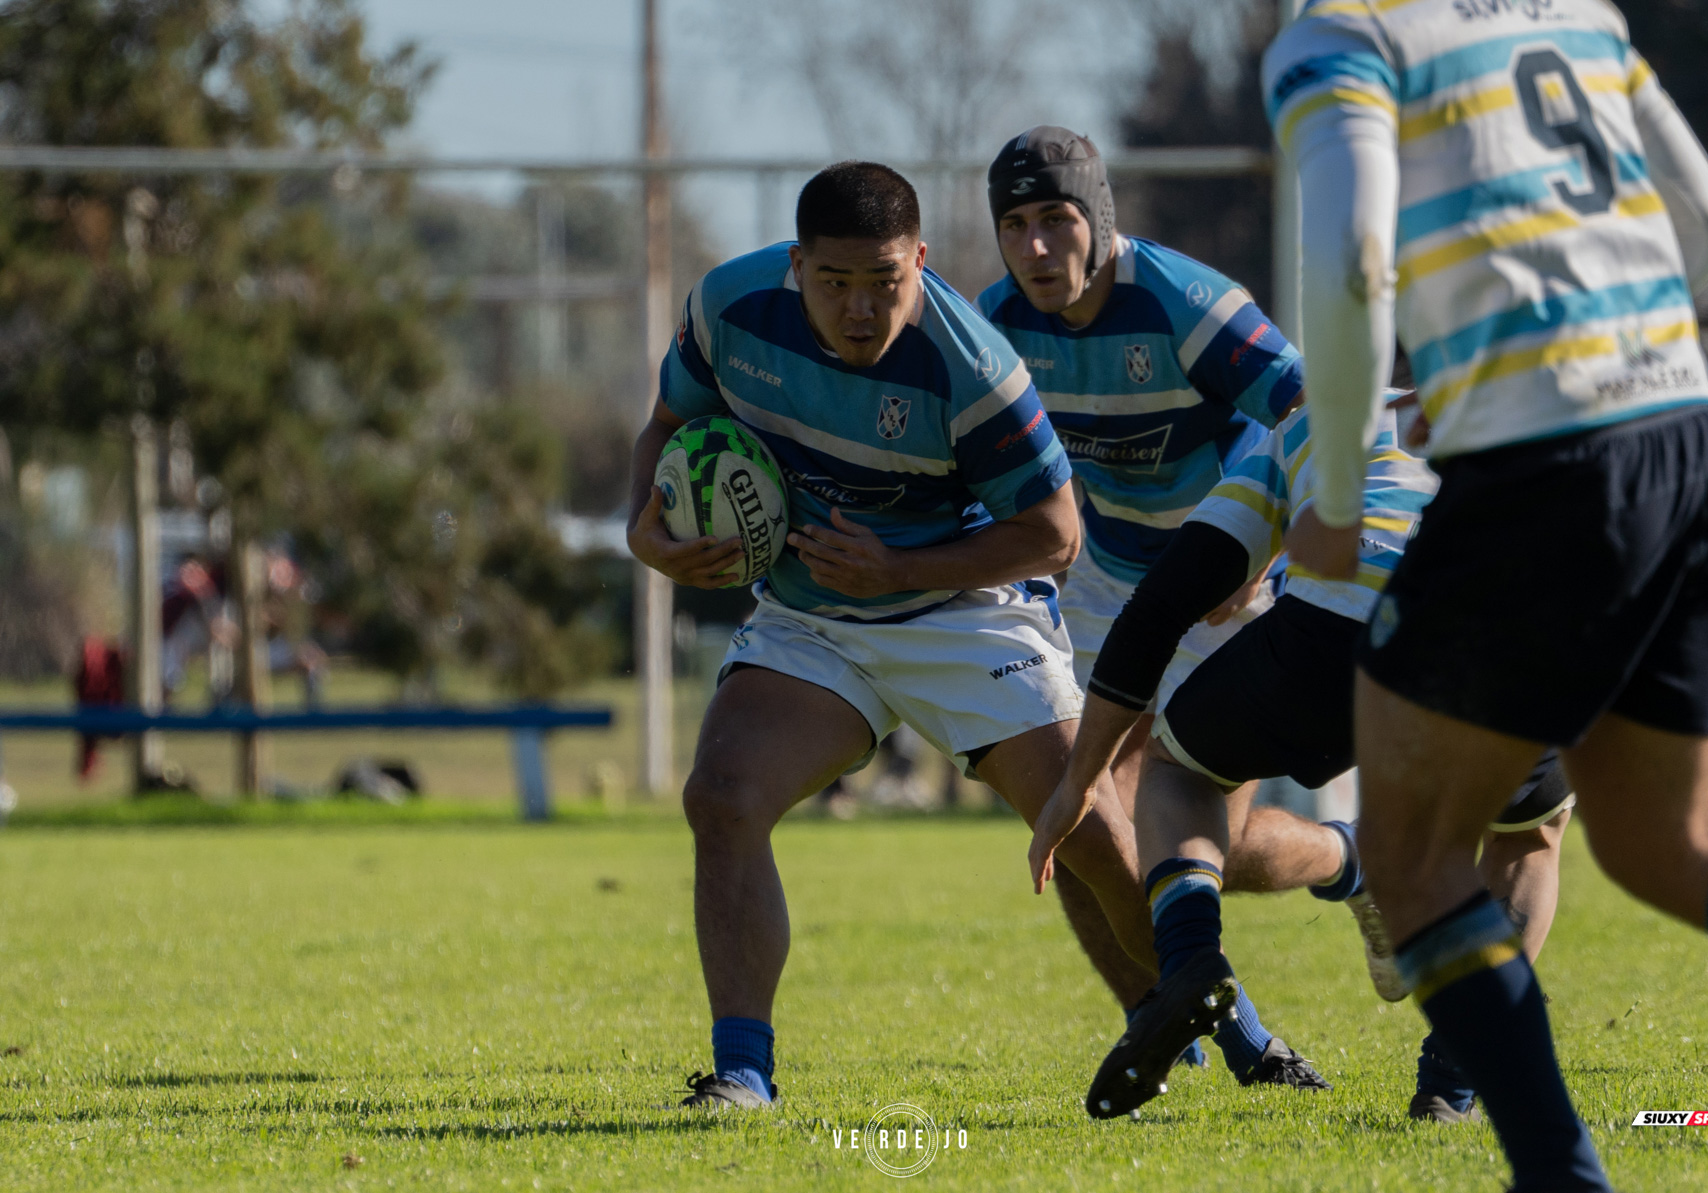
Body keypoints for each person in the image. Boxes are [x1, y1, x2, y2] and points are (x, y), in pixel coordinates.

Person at [1263, 3, 1708, 1188]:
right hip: (1694, 447)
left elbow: (1351, 263)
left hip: (1547, 476)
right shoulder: (1576, 10)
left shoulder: (1338, 33)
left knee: (1408, 855)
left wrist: (1339, 492)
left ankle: (1562, 1175)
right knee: (1673, 844)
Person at [629, 161, 1159, 1109]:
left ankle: (1211, 1012)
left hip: (965, 609)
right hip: (815, 620)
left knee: (1088, 827)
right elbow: (668, 424)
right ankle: (743, 1070)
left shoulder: (975, 366)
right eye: (835, 282)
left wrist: (900, 569)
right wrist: (645, 531)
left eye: (885, 282)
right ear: (796, 267)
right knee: (722, 795)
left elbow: (1057, 533)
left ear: (920, 260)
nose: (861, 309)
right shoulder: (729, 311)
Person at [1030, 394, 1573, 1122]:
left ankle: (1193, 957)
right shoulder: (1552, 407)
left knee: (1180, 770)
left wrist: (1079, 779)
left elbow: (1163, 601)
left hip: (1333, 634)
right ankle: (1454, 1078)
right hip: (1502, 639)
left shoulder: (1321, 415)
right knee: (1530, 833)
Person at [977, 126, 1325, 1089]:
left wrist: (1266, 546)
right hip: (1102, 580)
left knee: (1202, 837)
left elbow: (1316, 415)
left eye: (1057, 219)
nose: (1039, 247)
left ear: (1100, 218)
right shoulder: (994, 323)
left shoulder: (1188, 305)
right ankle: (1178, 1023)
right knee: (1081, 819)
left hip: (1223, 589)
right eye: (1016, 225)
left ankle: (1345, 861)